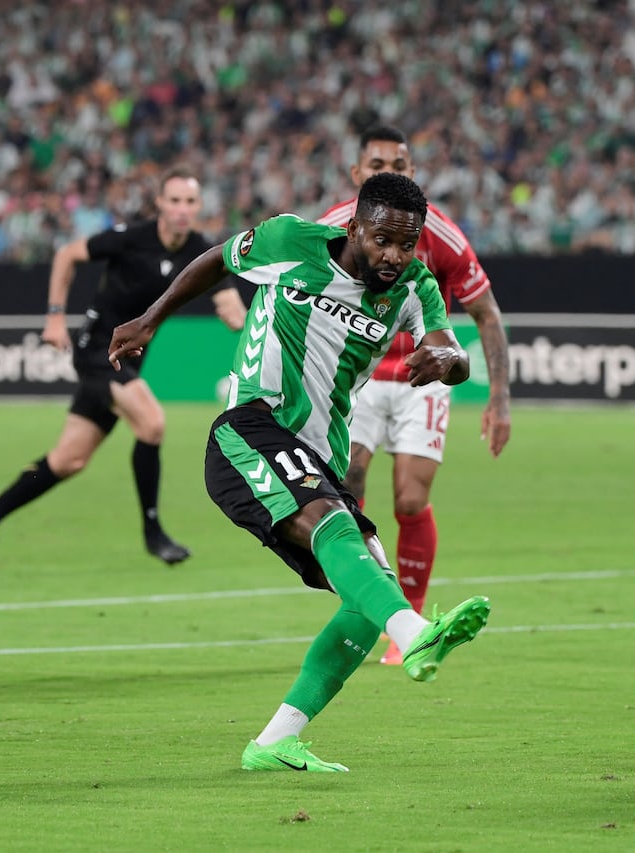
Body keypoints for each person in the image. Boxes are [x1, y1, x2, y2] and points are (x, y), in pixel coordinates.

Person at [108, 172, 492, 772]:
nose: (394, 256)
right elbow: (215, 260)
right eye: (382, 240)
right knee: (336, 531)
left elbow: (453, 350)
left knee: (367, 592)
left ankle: (274, 741)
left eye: (406, 244)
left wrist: (448, 358)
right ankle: (414, 630)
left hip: (320, 458)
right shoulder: (290, 241)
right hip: (250, 427)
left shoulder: (413, 285)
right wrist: (153, 318)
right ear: (355, 226)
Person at [0, 165, 247, 567]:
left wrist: (238, 313)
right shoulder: (131, 239)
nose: (182, 209)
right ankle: (154, 532)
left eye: (190, 202)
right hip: (97, 352)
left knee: (67, 460)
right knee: (152, 423)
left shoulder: (199, 248)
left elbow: (226, 295)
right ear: (160, 203)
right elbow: (66, 254)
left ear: (199, 207)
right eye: (175, 200)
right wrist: (55, 317)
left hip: (126, 362)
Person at [316, 125, 510, 665]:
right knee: (345, 492)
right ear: (357, 175)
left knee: (409, 499)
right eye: (377, 162)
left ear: (413, 172)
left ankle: (410, 619)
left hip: (422, 380)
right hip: (356, 378)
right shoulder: (331, 228)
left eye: (399, 164)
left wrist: (500, 399)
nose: (388, 171)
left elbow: (485, 311)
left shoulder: (440, 235)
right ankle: (373, 608)